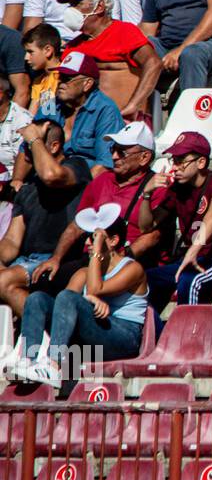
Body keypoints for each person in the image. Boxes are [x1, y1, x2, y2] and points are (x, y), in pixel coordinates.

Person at [10, 202, 147, 387]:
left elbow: (95, 289)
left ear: (113, 241)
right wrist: (89, 300)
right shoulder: (83, 273)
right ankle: (27, 360)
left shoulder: (133, 268)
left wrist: (97, 255)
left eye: (95, 237)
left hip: (124, 337)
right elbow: (65, 304)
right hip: (95, 335)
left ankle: (53, 364)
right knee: (38, 299)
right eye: (89, 238)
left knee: (69, 297)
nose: (88, 243)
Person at [29, 120, 159, 298]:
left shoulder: (156, 186)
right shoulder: (103, 180)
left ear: (144, 157)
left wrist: (118, 260)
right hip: (91, 255)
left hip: (124, 260)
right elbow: (77, 225)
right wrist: (56, 258)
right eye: (113, 149)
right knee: (43, 280)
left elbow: (152, 236)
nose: (114, 156)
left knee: (79, 289)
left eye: (122, 152)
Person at [137, 131, 212, 313]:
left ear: (201, 162)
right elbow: (146, 226)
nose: (175, 167)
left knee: (190, 281)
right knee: (144, 279)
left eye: (181, 161)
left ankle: (189, 338)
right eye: (174, 160)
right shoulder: (177, 189)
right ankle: (157, 334)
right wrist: (147, 193)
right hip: (189, 260)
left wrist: (194, 250)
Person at [0, 119, 90, 317]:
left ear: (55, 146)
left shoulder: (76, 166)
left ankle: (48, 330)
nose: (25, 151)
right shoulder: (28, 187)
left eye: (30, 145)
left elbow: (51, 175)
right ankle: (46, 330)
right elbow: (12, 240)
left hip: (60, 259)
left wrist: (34, 138)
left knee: (2, 282)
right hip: (25, 260)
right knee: (5, 283)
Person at [59, 0, 161, 120]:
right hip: (85, 128)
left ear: (99, 7)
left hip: (123, 122)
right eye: (70, 5)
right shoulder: (73, 46)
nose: (71, 10)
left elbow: (154, 64)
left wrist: (133, 106)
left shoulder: (124, 32)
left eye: (77, 4)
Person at [43, 51, 121, 175]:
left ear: (87, 84)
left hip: (84, 179)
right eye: (60, 77)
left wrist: (79, 190)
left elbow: (104, 164)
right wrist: (17, 180)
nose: (61, 83)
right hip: (47, 173)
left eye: (67, 78)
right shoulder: (51, 104)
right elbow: (28, 146)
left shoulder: (106, 110)